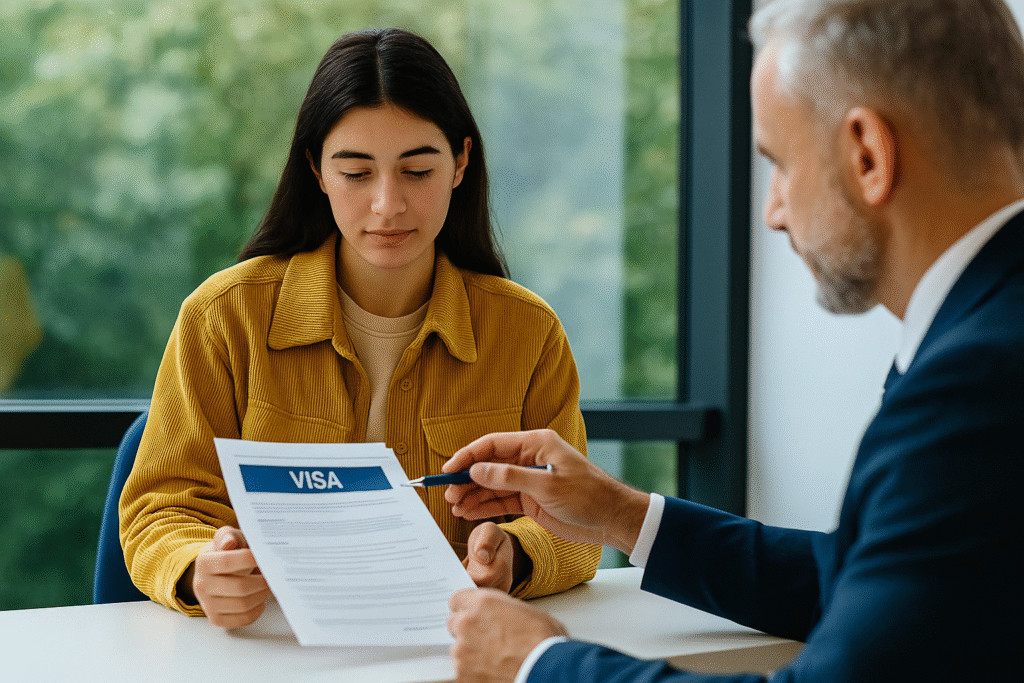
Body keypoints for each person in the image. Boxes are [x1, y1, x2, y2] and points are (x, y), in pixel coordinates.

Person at [443, 1, 1024, 681]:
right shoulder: (989, 332)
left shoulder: (976, 384)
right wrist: (622, 514)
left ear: (867, 154)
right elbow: (867, 582)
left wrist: (536, 661)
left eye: (780, 164)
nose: (773, 211)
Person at [119, 28, 600, 629]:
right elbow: (159, 509)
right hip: (276, 653)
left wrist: (517, 556)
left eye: (417, 171)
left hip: (452, 652)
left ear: (460, 164)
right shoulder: (222, 317)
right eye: (355, 173)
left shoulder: (527, 332)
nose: (387, 206)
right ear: (316, 171)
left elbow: (580, 523)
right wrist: (197, 568)